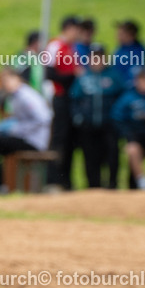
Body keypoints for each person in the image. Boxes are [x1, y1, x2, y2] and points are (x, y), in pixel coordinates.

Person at [0, 68, 52, 192]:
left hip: (33, 140)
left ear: (17, 79)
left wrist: (17, 129)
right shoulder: (15, 96)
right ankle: (0, 184)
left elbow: (44, 118)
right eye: (3, 82)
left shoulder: (26, 96)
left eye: (8, 80)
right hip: (24, 137)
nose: (5, 84)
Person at [69, 47, 123, 189]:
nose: (97, 61)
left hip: (109, 124)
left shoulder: (114, 77)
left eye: (100, 57)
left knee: (112, 154)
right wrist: (78, 117)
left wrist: (116, 116)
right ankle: (93, 186)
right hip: (88, 125)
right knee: (90, 156)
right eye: (94, 58)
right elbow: (74, 99)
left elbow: (123, 97)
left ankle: (112, 185)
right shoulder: (83, 78)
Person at [43, 15, 81, 189]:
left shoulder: (72, 48)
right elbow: (48, 72)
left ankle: (65, 179)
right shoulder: (55, 45)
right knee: (58, 139)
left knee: (69, 140)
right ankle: (53, 179)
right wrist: (72, 76)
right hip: (58, 97)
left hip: (70, 99)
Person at [111, 19, 145, 84]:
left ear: (130, 35)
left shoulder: (137, 52)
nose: (117, 36)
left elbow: (134, 73)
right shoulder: (120, 48)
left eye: (121, 34)